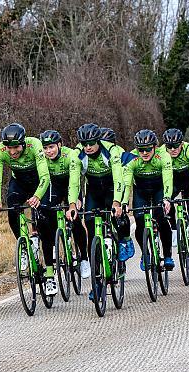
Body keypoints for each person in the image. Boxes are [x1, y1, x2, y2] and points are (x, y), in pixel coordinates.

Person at [67, 123, 135, 300]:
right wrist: (72, 204)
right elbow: (74, 182)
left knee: (115, 219)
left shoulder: (111, 151)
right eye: (84, 144)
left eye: (91, 143)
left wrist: (117, 202)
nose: (88, 147)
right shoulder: (78, 155)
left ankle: (119, 246)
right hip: (94, 193)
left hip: (112, 189)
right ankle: (97, 284)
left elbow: (119, 179)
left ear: (98, 141)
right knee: (91, 230)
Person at [0, 123, 57, 295]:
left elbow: (45, 176)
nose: (12, 152)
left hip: (39, 183)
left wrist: (38, 196)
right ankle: (24, 248)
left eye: (16, 147)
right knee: (12, 209)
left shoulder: (34, 145)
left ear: (24, 142)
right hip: (18, 182)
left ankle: (50, 274)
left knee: (43, 223)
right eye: (9, 148)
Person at [40, 130, 91, 279]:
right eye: (45, 148)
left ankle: (84, 259)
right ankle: (58, 241)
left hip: (71, 185)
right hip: (54, 188)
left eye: (52, 147)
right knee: (47, 216)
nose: (48, 151)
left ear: (60, 145)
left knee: (75, 221)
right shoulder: (41, 158)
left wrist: (73, 203)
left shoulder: (71, 155)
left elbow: (75, 181)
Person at [122, 129, 174, 271]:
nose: (144, 153)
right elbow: (126, 183)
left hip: (159, 189)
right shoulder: (131, 157)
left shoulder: (163, 156)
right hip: (141, 191)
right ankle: (145, 254)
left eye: (148, 149)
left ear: (155, 147)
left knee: (162, 219)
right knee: (139, 222)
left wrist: (167, 198)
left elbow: (168, 179)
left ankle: (168, 255)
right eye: (141, 149)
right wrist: (124, 202)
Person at [160, 128, 189, 270]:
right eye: (169, 146)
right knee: (166, 203)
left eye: (176, 146)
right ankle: (174, 228)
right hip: (172, 181)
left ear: (182, 143)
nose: (172, 149)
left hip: (188, 181)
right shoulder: (161, 151)